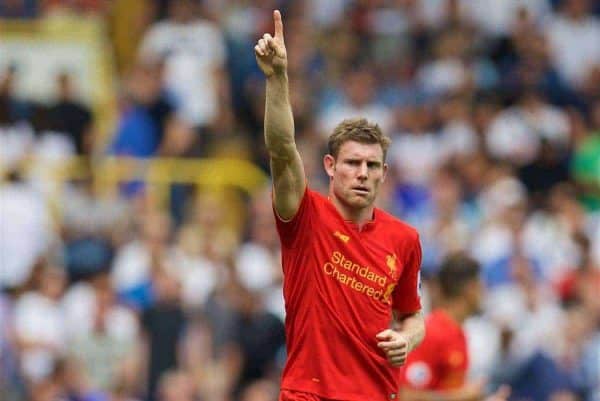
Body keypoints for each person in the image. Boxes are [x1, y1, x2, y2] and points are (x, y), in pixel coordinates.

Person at [255, 10, 425, 401]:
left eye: (372, 165)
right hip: (307, 393)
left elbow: (412, 314)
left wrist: (408, 339)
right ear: (330, 166)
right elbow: (281, 150)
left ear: (384, 172)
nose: (362, 173)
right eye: (352, 163)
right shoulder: (305, 216)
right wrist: (278, 78)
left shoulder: (404, 239)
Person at [400, 252, 510, 401]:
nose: (484, 292)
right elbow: (403, 396)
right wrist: (459, 397)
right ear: (470, 289)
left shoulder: (458, 333)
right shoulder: (430, 334)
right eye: (481, 285)